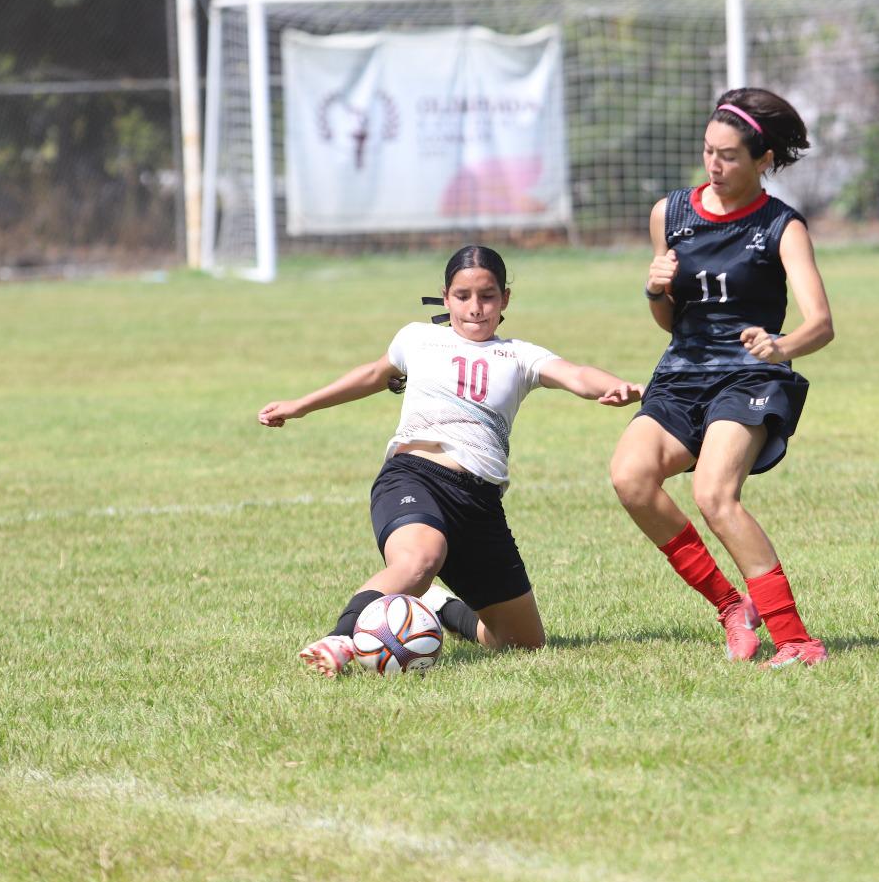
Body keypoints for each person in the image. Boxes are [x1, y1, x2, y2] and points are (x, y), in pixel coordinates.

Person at [260, 245, 644, 676]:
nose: (476, 308)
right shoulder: (418, 338)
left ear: (505, 299)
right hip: (414, 477)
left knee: (524, 643)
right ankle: (341, 639)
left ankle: (439, 606)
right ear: (445, 297)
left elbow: (576, 374)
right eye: (463, 296)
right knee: (419, 560)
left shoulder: (518, 355)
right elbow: (372, 375)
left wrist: (617, 387)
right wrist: (301, 405)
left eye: (488, 296)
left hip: (480, 503)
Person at [609, 88, 835, 668]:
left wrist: (780, 345)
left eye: (730, 155)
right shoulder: (671, 214)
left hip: (750, 376)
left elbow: (822, 324)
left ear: (763, 161)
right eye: (709, 151)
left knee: (714, 493)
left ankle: (796, 639)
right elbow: (668, 320)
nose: (715, 164)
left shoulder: (782, 225)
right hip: (683, 371)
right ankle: (732, 607)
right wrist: (655, 289)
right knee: (631, 478)